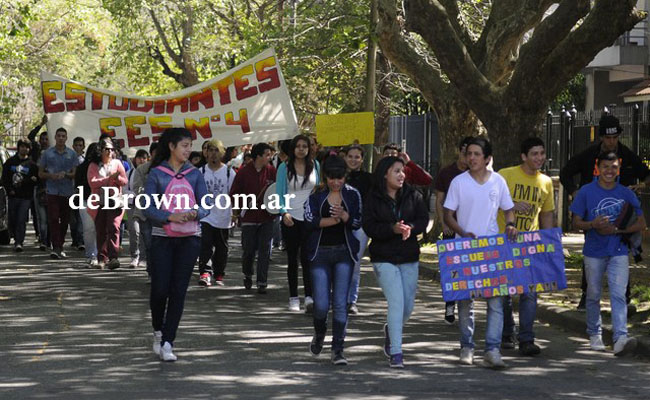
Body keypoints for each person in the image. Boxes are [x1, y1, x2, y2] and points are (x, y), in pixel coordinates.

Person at [560, 114, 650, 310]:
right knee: (592, 253)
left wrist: (641, 184)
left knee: (620, 253)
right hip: (594, 215)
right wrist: (575, 192)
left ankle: (623, 297)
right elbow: (565, 172)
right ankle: (588, 296)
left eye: (615, 138)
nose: (611, 142)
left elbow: (646, 173)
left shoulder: (627, 155)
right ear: (601, 137)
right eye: (608, 138)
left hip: (620, 217)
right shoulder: (588, 155)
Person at [443, 137, 517, 369]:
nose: (472, 158)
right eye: (469, 154)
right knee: (466, 301)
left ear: (487, 158)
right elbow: (447, 214)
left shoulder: (498, 181)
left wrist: (511, 225)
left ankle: (492, 349)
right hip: (465, 248)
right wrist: (462, 233)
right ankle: (467, 346)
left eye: (477, 154)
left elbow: (509, 209)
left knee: (495, 301)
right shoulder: (458, 182)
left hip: (492, 249)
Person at [569, 151, 645, 356]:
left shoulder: (626, 193)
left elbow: (641, 223)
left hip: (619, 251)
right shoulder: (586, 192)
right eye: (605, 167)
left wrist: (617, 230)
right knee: (593, 294)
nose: (609, 171)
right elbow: (575, 223)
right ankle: (595, 334)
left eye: (613, 167)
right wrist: (592, 224)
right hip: (593, 252)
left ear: (618, 168)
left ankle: (620, 338)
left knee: (618, 294)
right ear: (597, 168)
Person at [144, 127, 209, 361]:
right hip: (162, 238)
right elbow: (148, 207)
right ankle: (158, 330)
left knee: (179, 290)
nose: (188, 150)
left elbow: (206, 203)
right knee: (160, 289)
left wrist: (195, 213)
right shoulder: (156, 174)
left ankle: (168, 342)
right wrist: (169, 216)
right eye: (184, 145)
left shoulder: (195, 174)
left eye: (190, 146)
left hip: (190, 238)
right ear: (171, 146)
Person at [363, 156, 429, 368]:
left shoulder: (413, 195)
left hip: (409, 256)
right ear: (385, 174)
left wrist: (410, 228)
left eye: (403, 171)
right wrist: (391, 229)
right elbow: (369, 226)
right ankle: (397, 352)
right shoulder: (373, 198)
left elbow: (423, 220)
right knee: (397, 303)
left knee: (407, 307)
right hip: (383, 257)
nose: (402, 175)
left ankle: (390, 330)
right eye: (396, 171)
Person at [497, 137, 556, 356]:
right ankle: (506, 333)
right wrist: (512, 205)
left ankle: (527, 339)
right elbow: (491, 202)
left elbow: (547, 214)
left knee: (529, 293)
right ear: (524, 156)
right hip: (503, 242)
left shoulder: (546, 182)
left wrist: (548, 242)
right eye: (534, 154)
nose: (539, 158)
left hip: (530, 244)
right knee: (503, 293)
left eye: (542, 153)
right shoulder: (505, 175)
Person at [304, 155, 362, 365]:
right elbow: (310, 220)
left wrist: (345, 217)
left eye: (340, 178)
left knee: (340, 303)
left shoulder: (353, 194)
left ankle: (338, 348)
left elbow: (357, 221)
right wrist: (334, 220)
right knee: (321, 304)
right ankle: (320, 332)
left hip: (344, 253)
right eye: (332, 178)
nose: (336, 182)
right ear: (325, 177)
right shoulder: (316, 194)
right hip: (320, 253)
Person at [276, 134, 320, 312]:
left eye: (304, 146)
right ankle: (293, 297)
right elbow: (279, 193)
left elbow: (318, 190)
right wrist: (283, 212)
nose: (301, 149)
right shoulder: (284, 167)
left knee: (309, 259)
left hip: (310, 219)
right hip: (291, 218)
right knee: (292, 259)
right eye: (298, 146)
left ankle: (309, 296)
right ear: (293, 149)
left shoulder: (315, 165)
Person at [434, 136, 472, 324]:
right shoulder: (447, 173)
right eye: (466, 153)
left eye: (473, 153)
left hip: (471, 230)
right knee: (451, 269)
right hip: (452, 227)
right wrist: (444, 223)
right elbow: (439, 200)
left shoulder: (479, 174)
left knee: (469, 269)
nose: (469, 157)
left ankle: (467, 305)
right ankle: (450, 303)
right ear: (459, 151)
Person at [229, 142, 276, 293]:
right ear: (258, 156)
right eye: (267, 155)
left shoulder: (272, 171)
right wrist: (236, 212)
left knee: (265, 250)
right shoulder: (243, 172)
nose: (269, 157)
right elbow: (234, 193)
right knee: (248, 250)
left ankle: (262, 281)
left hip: (267, 217)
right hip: (248, 217)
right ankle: (247, 274)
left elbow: (279, 191)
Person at [198, 139, 235, 287]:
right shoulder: (200, 172)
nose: (213, 154)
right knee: (205, 244)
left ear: (222, 153)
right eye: (210, 150)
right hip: (205, 215)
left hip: (223, 215)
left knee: (221, 246)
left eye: (216, 150)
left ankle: (219, 272)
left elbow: (234, 194)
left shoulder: (229, 172)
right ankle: (205, 272)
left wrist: (235, 213)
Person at [38, 127, 79, 259]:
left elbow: (75, 174)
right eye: (59, 136)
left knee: (65, 220)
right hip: (52, 191)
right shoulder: (47, 153)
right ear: (55, 137)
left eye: (63, 136)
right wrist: (51, 176)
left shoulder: (72, 154)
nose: (61, 138)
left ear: (66, 138)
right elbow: (40, 173)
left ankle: (60, 244)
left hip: (67, 192)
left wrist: (66, 174)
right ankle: (56, 246)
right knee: (54, 218)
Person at [86, 139, 128, 270]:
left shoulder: (117, 163)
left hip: (114, 201)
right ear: (100, 151)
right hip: (99, 202)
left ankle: (113, 257)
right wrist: (108, 179)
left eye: (112, 149)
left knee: (114, 227)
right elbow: (92, 182)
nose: (110, 152)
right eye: (107, 149)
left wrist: (117, 178)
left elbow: (124, 181)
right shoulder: (94, 165)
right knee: (101, 230)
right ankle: (102, 259)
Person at [344, 144, 373, 315]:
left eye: (357, 157)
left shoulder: (369, 179)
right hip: (338, 225)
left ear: (362, 160)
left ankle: (351, 300)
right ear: (345, 158)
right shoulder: (338, 176)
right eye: (350, 156)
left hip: (360, 227)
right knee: (339, 262)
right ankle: (338, 296)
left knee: (354, 263)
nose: (353, 160)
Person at [1, 139, 38, 252]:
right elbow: (4, 178)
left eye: (26, 147)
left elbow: (36, 179)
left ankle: (19, 242)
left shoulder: (32, 165)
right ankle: (14, 235)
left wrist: (31, 180)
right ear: (18, 148)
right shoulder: (10, 162)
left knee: (21, 219)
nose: (24, 149)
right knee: (12, 219)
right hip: (12, 196)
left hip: (25, 197)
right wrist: (9, 189)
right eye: (22, 146)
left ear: (29, 149)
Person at [132, 143, 158, 279]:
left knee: (163, 244)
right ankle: (152, 273)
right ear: (151, 153)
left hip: (165, 213)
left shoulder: (171, 169)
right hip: (145, 212)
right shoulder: (142, 169)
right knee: (149, 243)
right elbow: (137, 188)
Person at [75, 142, 99, 267]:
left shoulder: (104, 167)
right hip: (85, 201)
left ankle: (100, 254)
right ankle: (91, 254)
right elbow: (77, 185)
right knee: (89, 228)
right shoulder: (81, 168)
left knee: (98, 229)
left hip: (100, 201)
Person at [125, 149, 150, 268]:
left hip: (145, 205)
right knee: (134, 231)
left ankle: (143, 258)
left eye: (144, 158)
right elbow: (124, 189)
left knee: (145, 232)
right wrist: (134, 196)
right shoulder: (129, 173)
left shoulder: (150, 172)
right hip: (132, 205)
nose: (141, 160)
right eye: (139, 158)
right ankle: (134, 256)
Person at [28, 117, 49, 250]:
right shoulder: (36, 149)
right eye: (43, 139)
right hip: (37, 186)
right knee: (38, 214)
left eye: (47, 139)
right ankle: (41, 236)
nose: (44, 141)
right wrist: (41, 124)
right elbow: (30, 136)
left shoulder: (53, 152)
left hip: (51, 186)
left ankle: (48, 238)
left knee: (50, 215)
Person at [69, 136, 86, 251]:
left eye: (80, 145)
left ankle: (80, 240)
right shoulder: (69, 159)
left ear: (83, 147)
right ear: (73, 146)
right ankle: (74, 239)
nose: (78, 147)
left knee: (80, 217)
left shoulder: (85, 161)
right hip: (70, 191)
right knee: (72, 219)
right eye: (76, 145)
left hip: (81, 192)